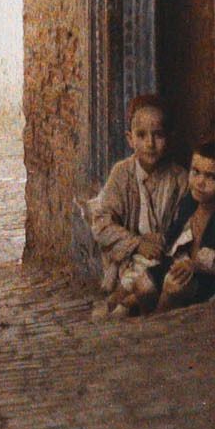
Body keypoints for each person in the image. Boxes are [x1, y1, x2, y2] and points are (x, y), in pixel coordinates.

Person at [85, 95, 188, 318]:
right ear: (130, 139)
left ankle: (128, 301)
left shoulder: (179, 178)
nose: (150, 144)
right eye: (141, 136)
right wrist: (137, 243)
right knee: (138, 271)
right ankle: (127, 299)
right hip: (130, 257)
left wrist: (162, 242)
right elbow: (101, 223)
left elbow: (184, 225)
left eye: (158, 135)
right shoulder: (122, 174)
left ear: (169, 138)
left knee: (169, 275)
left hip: (163, 254)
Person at [156, 141, 215, 311]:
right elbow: (173, 240)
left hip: (207, 277)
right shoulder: (188, 204)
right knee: (142, 285)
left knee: (173, 287)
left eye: (211, 177)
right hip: (181, 265)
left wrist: (195, 265)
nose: (200, 182)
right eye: (195, 172)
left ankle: (155, 325)